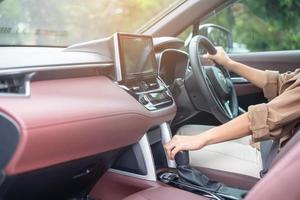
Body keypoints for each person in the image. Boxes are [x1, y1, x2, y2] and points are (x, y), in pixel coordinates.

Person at [165, 47, 300, 177]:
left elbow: (264, 116)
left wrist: (200, 139)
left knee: (175, 152)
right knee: (184, 132)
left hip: (276, 165)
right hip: (273, 145)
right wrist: (229, 63)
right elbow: (278, 82)